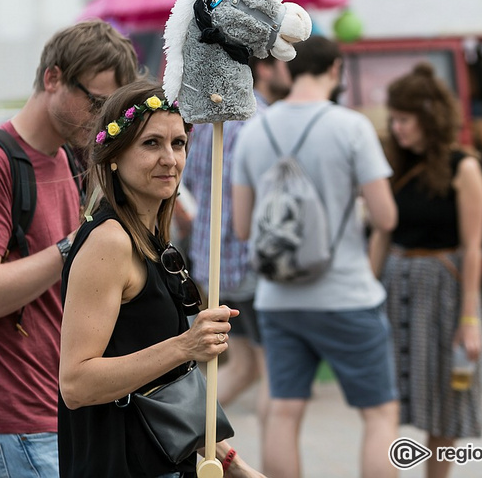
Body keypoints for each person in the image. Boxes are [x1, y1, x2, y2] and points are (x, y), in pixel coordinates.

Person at [0, 20, 140, 478]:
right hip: (16, 424)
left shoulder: (73, 159)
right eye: (95, 102)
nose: (101, 119)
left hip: (65, 411)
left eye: (110, 109)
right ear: (53, 78)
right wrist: (77, 245)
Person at [58, 80, 264, 478]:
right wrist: (186, 345)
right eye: (151, 143)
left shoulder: (154, 241)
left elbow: (168, 387)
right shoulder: (110, 242)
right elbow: (77, 384)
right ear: (114, 156)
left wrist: (233, 465)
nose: (170, 158)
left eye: (178, 143)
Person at [231, 36, 399, 478]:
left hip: (278, 299)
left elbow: (243, 228)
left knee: (284, 412)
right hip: (347, 294)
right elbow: (386, 216)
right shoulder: (351, 127)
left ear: (287, 68)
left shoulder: (253, 130)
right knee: (379, 415)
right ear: (337, 69)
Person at [369, 62, 482, 478]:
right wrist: (365, 294)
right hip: (395, 284)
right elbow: (383, 234)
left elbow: (474, 249)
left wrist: (470, 319)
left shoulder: (465, 168)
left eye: (405, 119)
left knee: (444, 403)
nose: (398, 128)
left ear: (430, 117)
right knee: (386, 400)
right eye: (395, 119)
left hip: (444, 290)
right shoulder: (395, 164)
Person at [178, 54, 291, 432]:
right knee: (276, 374)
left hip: (214, 264)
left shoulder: (212, 122)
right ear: (263, 68)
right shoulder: (265, 122)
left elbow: (189, 184)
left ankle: (178, 425)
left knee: (242, 366)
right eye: (284, 63)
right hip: (251, 261)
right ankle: (278, 457)